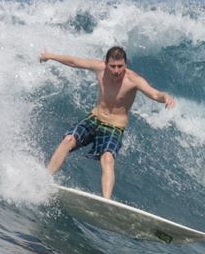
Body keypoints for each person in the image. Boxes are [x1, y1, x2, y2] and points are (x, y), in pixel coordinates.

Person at [40, 45, 175, 200]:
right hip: (94, 119)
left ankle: (106, 201)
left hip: (114, 126)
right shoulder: (99, 69)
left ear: (126, 63)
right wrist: (50, 55)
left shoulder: (133, 80)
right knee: (68, 139)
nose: (116, 70)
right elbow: (74, 62)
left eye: (120, 66)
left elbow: (154, 93)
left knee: (108, 157)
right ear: (106, 64)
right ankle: (45, 179)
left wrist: (165, 97)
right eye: (112, 66)